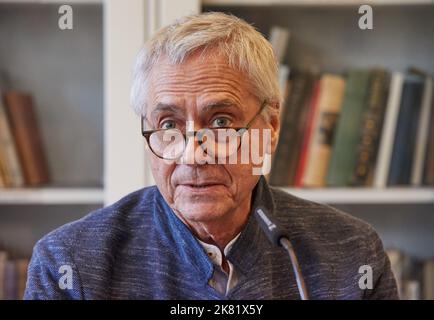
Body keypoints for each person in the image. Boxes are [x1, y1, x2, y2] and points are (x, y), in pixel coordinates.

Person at [24, 12, 398, 299]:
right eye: (168, 125)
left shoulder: (351, 254)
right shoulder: (68, 264)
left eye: (220, 121)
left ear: (271, 127)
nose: (193, 154)